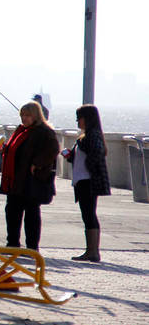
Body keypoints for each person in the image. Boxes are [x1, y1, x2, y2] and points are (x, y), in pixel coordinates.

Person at [0, 101, 60, 250]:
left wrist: (37, 164)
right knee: (12, 212)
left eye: (27, 115)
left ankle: (32, 247)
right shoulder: (21, 131)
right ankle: (12, 243)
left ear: (35, 116)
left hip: (31, 181)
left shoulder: (43, 131)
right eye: (22, 115)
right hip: (16, 180)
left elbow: (53, 149)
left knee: (31, 214)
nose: (24, 118)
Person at [63, 104, 110, 262]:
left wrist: (87, 163)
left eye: (80, 118)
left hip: (88, 181)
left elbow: (96, 155)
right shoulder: (87, 136)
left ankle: (92, 251)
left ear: (87, 119)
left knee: (89, 214)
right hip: (83, 180)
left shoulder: (92, 136)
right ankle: (91, 250)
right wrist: (70, 156)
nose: (77, 121)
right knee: (87, 214)